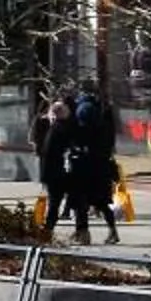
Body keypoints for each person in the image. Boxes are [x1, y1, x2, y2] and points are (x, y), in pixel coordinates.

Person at [66, 87, 120, 245]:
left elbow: (76, 143)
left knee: (80, 202)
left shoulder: (82, 127)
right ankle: (112, 231)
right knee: (102, 202)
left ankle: (82, 233)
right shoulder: (104, 125)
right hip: (102, 168)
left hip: (83, 169)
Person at [35, 99, 75, 236]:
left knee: (55, 202)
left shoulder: (55, 129)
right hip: (58, 172)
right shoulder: (61, 128)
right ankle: (48, 229)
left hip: (54, 172)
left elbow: (46, 153)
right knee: (56, 202)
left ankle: (48, 229)